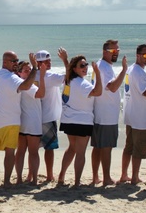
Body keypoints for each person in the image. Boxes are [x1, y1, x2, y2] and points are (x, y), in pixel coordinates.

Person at [0, 51, 38, 188]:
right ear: (5, 62)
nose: (16, 63)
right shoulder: (11, 78)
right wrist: (34, 68)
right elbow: (26, 86)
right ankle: (7, 181)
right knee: (9, 152)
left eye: (17, 61)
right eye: (13, 61)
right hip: (10, 121)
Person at [120, 45, 146, 185]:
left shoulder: (132, 69)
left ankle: (124, 175)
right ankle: (134, 177)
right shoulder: (139, 73)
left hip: (131, 114)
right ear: (138, 55)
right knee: (138, 148)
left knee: (129, 147)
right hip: (139, 117)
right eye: (145, 55)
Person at [57, 55, 103, 187]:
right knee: (80, 152)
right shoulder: (83, 84)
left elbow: (68, 70)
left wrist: (65, 60)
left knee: (72, 148)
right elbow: (98, 91)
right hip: (82, 121)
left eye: (86, 65)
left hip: (68, 120)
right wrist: (98, 74)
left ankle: (61, 176)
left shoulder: (68, 80)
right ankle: (77, 182)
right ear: (75, 69)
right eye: (81, 66)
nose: (85, 68)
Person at [90, 40, 128, 186]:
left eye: (117, 50)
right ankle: (105, 177)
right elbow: (112, 87)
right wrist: (124, 70)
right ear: (104, 51)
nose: (116, 53)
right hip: (105, 115)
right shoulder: (104, 67)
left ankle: (96, 177)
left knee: (99, 147)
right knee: (105, 147)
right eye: (113, 51)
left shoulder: (104, 66)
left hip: (103, 113)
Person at [34, 48, 69, 183]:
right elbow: (69, 76)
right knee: (49, 148)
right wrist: (65, 60)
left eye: (49, 61)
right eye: (45, 61)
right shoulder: (50, 76)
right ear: (39, 63)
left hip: (34, 117)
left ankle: (32, 175)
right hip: (48, 117)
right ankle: (49, 175)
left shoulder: (31, 75)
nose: (49, 63)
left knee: (34, 149)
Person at [14, 59, 46, 185]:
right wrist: (42, 76)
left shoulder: (17, 84)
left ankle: (20, 179)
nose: (28, 73)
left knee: (21, 152)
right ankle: (34, 180)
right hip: (32, 123)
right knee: (32, 152)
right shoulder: (28, 85)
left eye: (29, 70)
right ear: (20, 73)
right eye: (26, 71)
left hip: (22, 122)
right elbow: (41, 94)